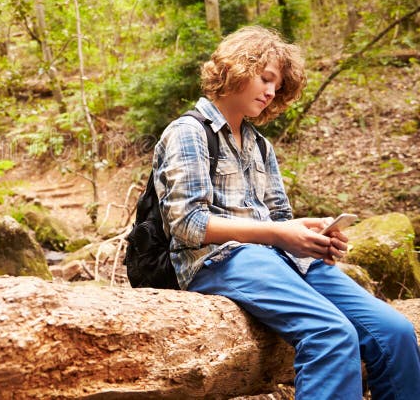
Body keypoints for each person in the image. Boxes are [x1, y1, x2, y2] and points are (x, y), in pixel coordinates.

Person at [151, 26, 420, 399]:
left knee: (395, 332)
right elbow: (188, 224)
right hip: (219, 261)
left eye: (277, 86)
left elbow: (280, 219)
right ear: (237, 69)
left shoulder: (260, 145)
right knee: (331, 333)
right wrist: (280, 234)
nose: (271, 92)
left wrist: (311, 237)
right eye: (265, 79)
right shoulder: (189, 132)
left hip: (279, 259)